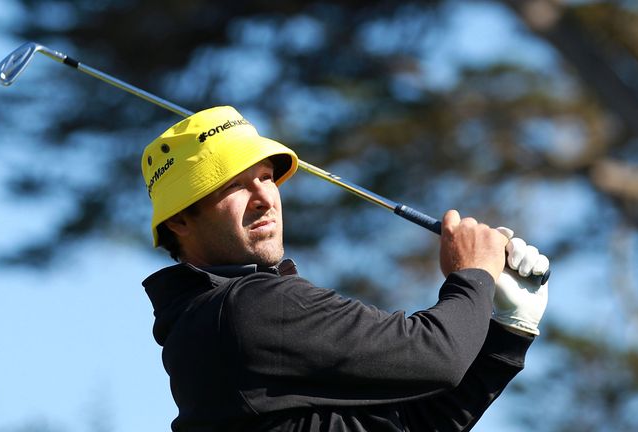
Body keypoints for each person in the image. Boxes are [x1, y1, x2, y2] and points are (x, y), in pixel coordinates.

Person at [140, 106, 550, 431]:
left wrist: (509, 330)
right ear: (179, 221)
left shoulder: (211, 320)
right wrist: (473, 274)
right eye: (233, 185)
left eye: (265, 177)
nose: (265, 197)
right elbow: (437, 356)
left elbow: (415, 423)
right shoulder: (246, 307)